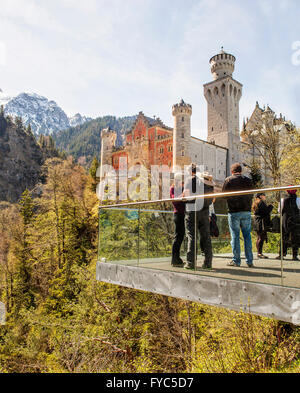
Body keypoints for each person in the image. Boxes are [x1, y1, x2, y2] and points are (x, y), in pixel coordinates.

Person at [222, 163, 254, 267]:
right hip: (246, 211)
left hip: (234, 211)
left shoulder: (228, 180)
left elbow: (223, 195)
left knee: (235, 236)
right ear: (241, 171)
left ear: (232, 171)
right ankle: (249, 261)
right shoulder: (248, 180)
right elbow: (252, 194)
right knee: (247, 236)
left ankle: (236, 260)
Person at [183, 165, 214, 270]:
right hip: (204, 210)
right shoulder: (208, 181)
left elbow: (186, 195)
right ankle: (208, 262)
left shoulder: (190, 180)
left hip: (192, 210)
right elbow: (212, 198)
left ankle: (191, 263)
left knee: (192, 236)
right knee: (206, 236)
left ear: (190, 172)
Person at [277, 188, 300, 261]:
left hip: (285, 219)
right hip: (296, 220)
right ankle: (294, 255)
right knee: (295, 237)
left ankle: (282, 254)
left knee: (284, 236)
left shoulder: (283, 200)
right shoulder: (298, 199)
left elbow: (279, 210)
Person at [170, 173, 186, 267]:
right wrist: (182, 195)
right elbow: (174, 199)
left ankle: (177, 258)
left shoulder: (182, 188)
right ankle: (174, 259)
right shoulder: (173, 188)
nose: (182, 182)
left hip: (183, 214)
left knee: (180, 236)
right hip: (178, 214)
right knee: (178, 236)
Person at [252, 193, 273, 259]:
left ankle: (259, 252)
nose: (265, 196)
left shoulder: (256, 202)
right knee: (261, 238)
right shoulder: (261, 203)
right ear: (260, 196)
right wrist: (270, 206)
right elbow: (266, 211)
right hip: (261, 223)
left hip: (257, 222)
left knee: (259, 237)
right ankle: (259, 253)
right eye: (264, 195)